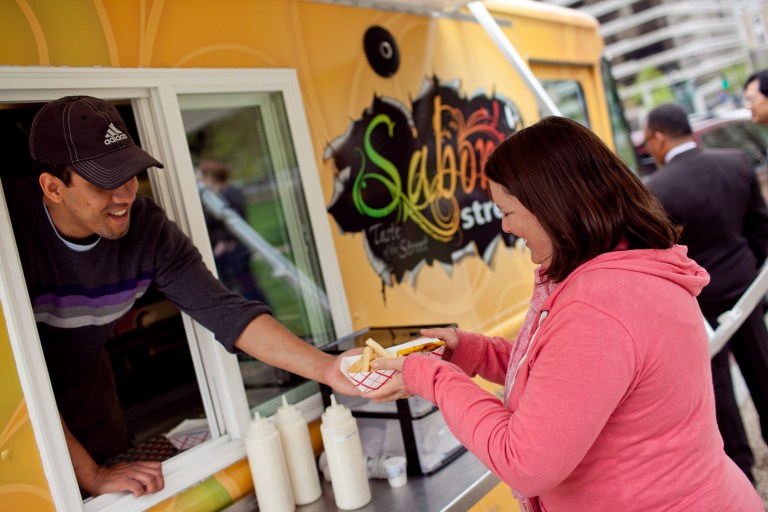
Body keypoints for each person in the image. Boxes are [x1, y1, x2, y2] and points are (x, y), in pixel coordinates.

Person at [368, 116, 761, 511]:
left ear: (551, 206)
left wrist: (430, 377)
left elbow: (525, 460)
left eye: (507, 210)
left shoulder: (600, 307)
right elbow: (571, 378)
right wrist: (469, 351)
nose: (505, 226)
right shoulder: (630, 269)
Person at [3, 96, 356, 498]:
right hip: (17, 403)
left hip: (88, 386)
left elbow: (226, 312)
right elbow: (14, 380)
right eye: (104, 182)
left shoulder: (147, 231)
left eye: (130, 175)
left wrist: (327, 369)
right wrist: (91, 474)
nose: (125, 196)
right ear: (53, 187)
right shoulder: (11, 231)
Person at [643, 103, 768, 484]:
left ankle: (742, 470)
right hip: (746, 288)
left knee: (718, 390)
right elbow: (760, 230)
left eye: (649, 140)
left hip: (698, 305)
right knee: (763, 370)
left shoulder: (654, 191)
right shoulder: (735, 162)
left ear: (659, 137)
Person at [197, 159, 270, 304]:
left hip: (234, 249)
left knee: (246, 284)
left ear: (211, 177)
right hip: (224, 250)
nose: (202, 181)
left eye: (204, 177)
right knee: (234, 285)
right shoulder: (214, 195)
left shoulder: (231, 193)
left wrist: (225, 241)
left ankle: (262, 309)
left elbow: (235, 220)